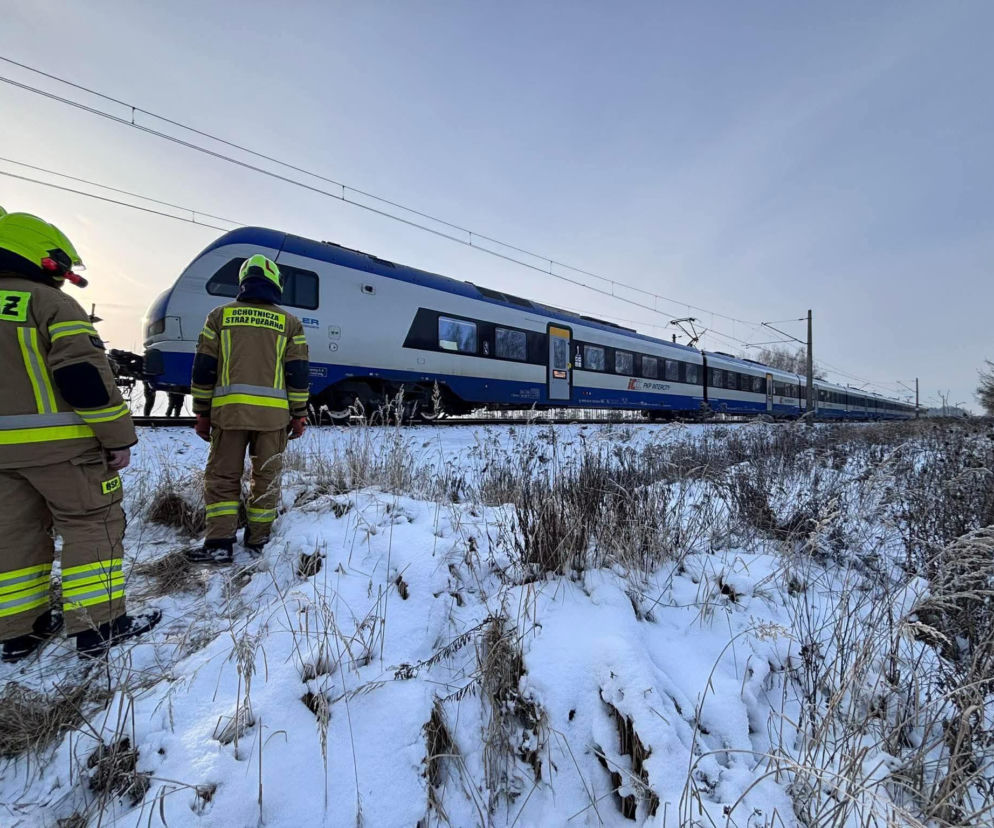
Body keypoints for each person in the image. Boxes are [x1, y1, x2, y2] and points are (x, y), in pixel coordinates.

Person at [0, 207, 160, 662]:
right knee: (92, 525)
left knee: (12, 534)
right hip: (63, 452)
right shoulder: (48, 303)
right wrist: (117, 437)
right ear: (40, 257)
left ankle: (18, 632)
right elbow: (84, 380)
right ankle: (99, 626)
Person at [188, 254, 309, 563]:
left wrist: (202, 411)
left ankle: (219, 545)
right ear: (275, 284)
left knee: (222, 478)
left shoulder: (219, 316)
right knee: (267, 478)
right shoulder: (290, 323)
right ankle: (259, 540)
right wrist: (298, 413)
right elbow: (297, 374)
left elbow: (204, 368)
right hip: (273, 419)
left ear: (242, 282)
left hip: (229, 415)